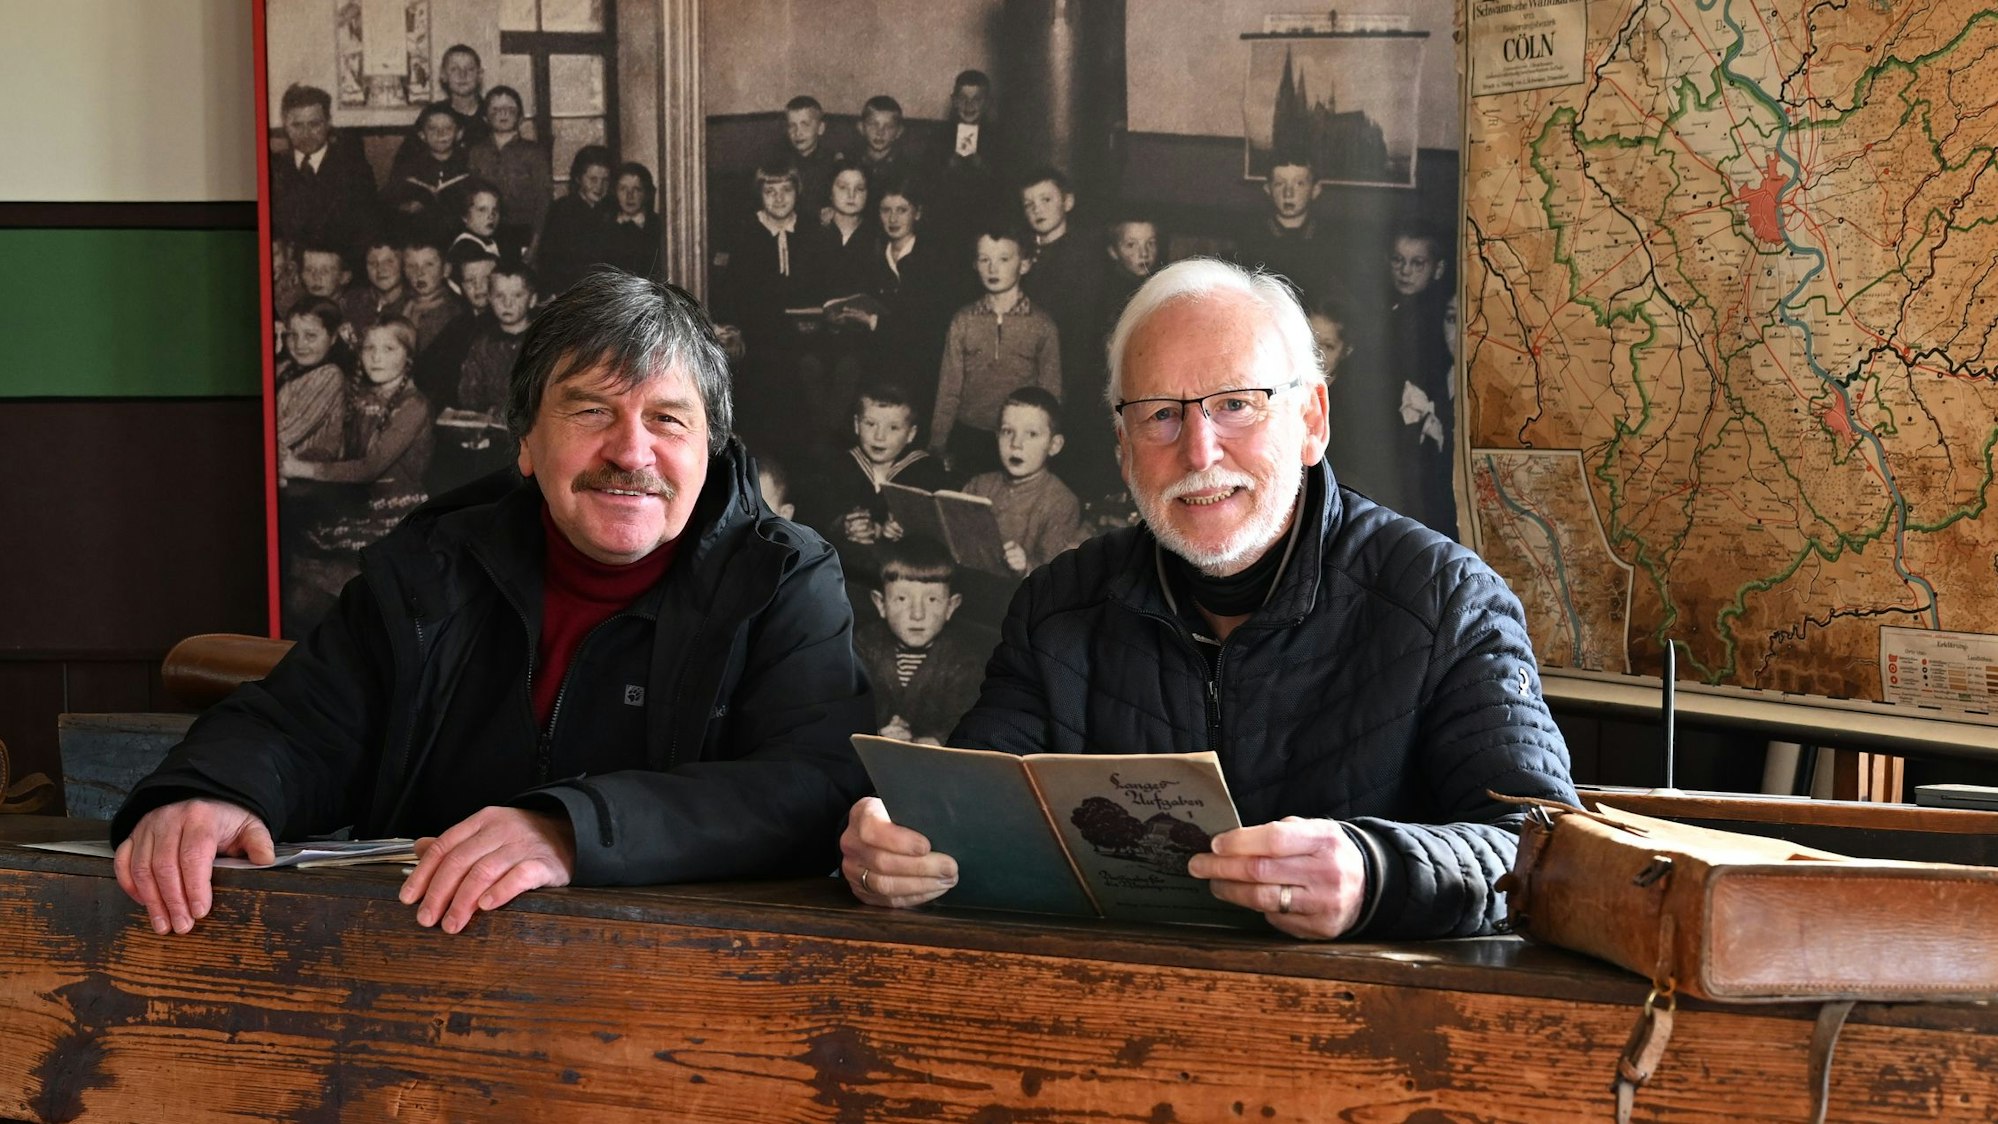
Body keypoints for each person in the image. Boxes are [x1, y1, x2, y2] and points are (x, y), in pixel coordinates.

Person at [112, 269, 875, 937]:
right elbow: (303, 723)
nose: (631, 451)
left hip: (687, 991)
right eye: (589, 412)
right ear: (525, 443)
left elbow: (813, 786)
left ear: (710, 447)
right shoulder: (432, 563)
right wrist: (213, 792)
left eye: (668, 419)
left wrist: (575, 832)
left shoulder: (784, 577)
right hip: (416, 967)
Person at [838, 257, 1576, 941]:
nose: (1199, 452)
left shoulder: (1448, 601)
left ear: (1312, 421)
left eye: (1235, 404)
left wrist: (1376, 872)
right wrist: (903, 849)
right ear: (1122, 445)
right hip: (1109, 1032)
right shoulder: (1058, 607)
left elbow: (1546, 849)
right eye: (1161, 414)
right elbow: (969, 811)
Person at [930, 224, 1060, 477]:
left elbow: (1051, 393)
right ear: (975, 264)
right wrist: (937, 444)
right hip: (969, 438)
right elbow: (948, 390)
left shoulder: (1042, 324)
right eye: (984, 259)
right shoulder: (963, 321)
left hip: (1019, 439)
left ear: (1024, 264)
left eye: (1003, 259)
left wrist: (1043, 445)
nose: (992, 268)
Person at [853, 538, 994, 745]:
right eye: (902, 599)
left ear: (951, 607)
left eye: (932, 600)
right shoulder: (864, 646)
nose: (917, 614)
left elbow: (969, 724)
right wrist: (875, 734)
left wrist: (931, 741)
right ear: (881, 604)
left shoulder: (963, 662)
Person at [957, 387, 1087, 575]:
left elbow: (1053, 575)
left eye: (1032, 434)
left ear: (1054, 445)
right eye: (1007, 431)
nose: (1016, 443)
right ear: (996, 436)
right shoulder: (978, 485)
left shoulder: (1062, 502)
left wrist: (1026, 565)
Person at [270, 84, 380, 266]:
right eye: (297, 125)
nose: (306, 134)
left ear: (328, 122)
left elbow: (366, 233)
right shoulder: (274, 168)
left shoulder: (354, 170)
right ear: (284, 124)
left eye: (314, 124)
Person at [466, 86, 552, 257]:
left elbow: (544, 201)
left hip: (523, 234)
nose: (503, 113)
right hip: (484, 234)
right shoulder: (476, 152)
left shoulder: (534, 153)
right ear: (485, 117)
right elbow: (469, 197)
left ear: (521, 118)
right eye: (496, 109)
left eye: (510, 109)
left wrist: (535, 245)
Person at [535, 145, 616, 298]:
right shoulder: (562, 210)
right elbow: (548, 260)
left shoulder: (612, 210)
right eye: (592, 179)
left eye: (605, 180)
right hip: (569, 292)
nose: (599, 186)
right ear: (578, 178)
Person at [384, 104, 472, 241]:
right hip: (418, 239)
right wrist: (405, 207)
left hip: (458, 238)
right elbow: (388, 201)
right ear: (422, 135)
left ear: (459, 133)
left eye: (447, 128)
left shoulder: (468, 166)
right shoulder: (409, 169)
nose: (440, 134)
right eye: (432, 128)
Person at [780, 95, 839, 219]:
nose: (797, 132)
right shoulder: (781, 163)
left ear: (820, 128)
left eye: (805, 124)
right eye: (792, 126)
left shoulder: (835, 164)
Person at [603, 162, 663, 281]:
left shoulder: (658, 225)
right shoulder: (605, 225)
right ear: (615, 192)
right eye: (623, 189)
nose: (629, 196)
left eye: (637, 189)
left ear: (646, 193)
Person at [341, 237, 406, 340]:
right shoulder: (351, 302)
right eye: (372, 263)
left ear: (403, 264)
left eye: (389, 262)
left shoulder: (414, 305)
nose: (380, 269)